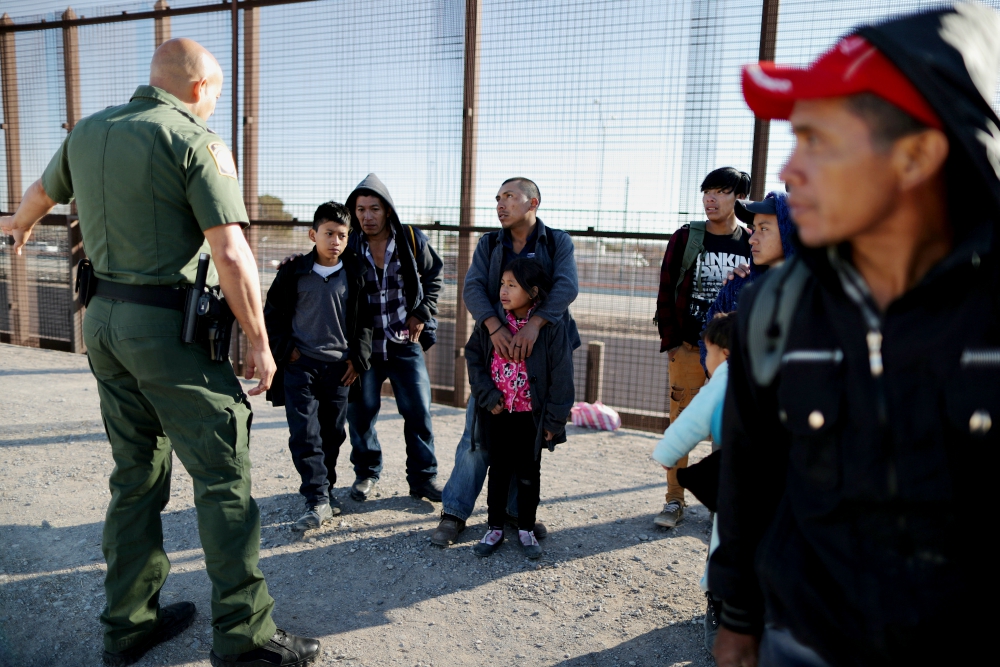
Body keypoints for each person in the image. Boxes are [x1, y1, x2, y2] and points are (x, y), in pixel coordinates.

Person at [0, 39, 318, 667]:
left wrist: (20, 226)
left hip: (103, 325)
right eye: (217, 94)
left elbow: (37, 193)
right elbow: (230, 254)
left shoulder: (88, 132)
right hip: (167, 333)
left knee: (135, 476)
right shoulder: (195, 142)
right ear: (199, 88)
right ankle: (244, 637)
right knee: (223, 477)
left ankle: (128, 624)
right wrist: (259, 341)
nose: (215, 104)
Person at [710, 6, 999, 666]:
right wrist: (738, 616)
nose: (787, 169)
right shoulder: (775, 308)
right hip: (805, 641)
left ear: (917, 156)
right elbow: (747, 481)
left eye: (819, 140)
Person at [431, 177, 580, 546]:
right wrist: (495, 327)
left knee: (524, 442)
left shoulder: (556, 241)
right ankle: (454, 512)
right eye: (498, 198)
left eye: (510, 197)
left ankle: (515, 514)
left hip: (538, 357)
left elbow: (566, 286)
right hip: (497, 354)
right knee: (479, 435)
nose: (500, 204)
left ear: (533, 203)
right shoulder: (489, 243)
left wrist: (535, 324)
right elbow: (473, 288)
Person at [263, 202, 372, 532]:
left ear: (349, 237)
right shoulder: (293, 272)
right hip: (302, 367)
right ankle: (316, 499)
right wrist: (288, 352)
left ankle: (324, 491)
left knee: (332, 434)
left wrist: (358, 359)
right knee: (305, 434)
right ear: (313, 235)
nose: (335, 241)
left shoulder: (356, 275)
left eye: (342, 235)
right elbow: (273, 315)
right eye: (328, 234)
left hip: (339, 370)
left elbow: (365, 322)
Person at [653, 167, 752, 529]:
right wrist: (674, 343)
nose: (711, 199)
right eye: (707, 191)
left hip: (733, 354)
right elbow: (665, 289)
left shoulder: (752, 242)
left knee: (729, 426)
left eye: (721, 191)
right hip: (690, 348)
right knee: (682, 422)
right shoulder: (687, 237)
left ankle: (720, 501)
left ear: (739, 197)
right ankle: (673, 500)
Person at [344, 174, 445, 502]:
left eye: (374, 208)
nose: (367, 216)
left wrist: (421, 312)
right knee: (361, 413)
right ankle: (366, 473)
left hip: (405, 342)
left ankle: (423, 479)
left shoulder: (410, 238)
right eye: (360, 209)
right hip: (365, 348)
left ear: (387, 210)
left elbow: (434, 276)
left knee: (418, 411)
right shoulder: (350, 242)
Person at [466, 258, 574, 560]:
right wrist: (487, 396)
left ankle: (526, 528)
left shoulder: (551, 329)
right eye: (502, 283)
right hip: (498, 413)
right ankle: (495, 527)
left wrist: (554, 419)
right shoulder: (491, 325)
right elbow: (473, 359)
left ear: (533, 292)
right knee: (498, 470)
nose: (503, 290)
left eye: (512, 285)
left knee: (529, 473)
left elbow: (562, 377)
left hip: (532, 418)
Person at [652, 311, 735, 652]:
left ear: (725, 355)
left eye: (708, 353)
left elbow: (694, 419)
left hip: (736, 477)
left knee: (725, 540)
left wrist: (666, 453)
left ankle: (717, 604)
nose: (706, 360)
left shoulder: (727, 375)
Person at [698, 191, 796, 372]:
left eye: (764, 229)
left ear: (789, 231)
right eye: (754, 228)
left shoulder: (814, 294)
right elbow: (708, 336)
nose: (752, 239)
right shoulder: (738, 284)